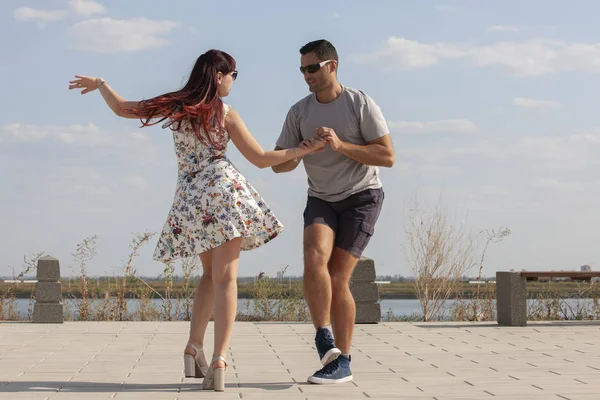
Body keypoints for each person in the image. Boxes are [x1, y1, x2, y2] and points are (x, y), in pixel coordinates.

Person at [68, 49, 324, 392]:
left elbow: (123, 108)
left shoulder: (177, 107)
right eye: (233, 74)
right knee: (226, 280)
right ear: (218, 75)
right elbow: (262, 159)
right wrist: (303, 150)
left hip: (192, 200)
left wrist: (101, 83)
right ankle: (219, 358)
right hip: (223, 194)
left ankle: (194, 346)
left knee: (208, 276)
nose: (234, 81)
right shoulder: (226, 114)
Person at [272, 39, 395, 384]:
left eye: (313, 68)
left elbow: (387, 156)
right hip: (321, 197)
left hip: (362, 196)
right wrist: (300, 151)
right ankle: (324, 337)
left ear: (332, 66)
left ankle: (344, 362)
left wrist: (340, 146)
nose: (307, 75)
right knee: (313, 258)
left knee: (339, 275)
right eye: (302, 69)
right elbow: (278, 167)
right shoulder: (299, 112)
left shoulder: (359, 103)